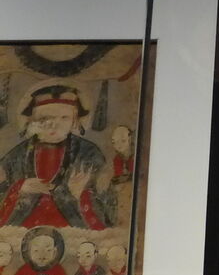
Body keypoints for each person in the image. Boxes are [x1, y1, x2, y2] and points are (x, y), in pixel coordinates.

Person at [0, 83, 110, 230]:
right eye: (45, 118)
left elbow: (107, 201)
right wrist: (19, 188)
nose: (54, 125)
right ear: (32, 121)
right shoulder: (17, 155)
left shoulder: (88, 154)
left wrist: (80, 195)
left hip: (75, 232)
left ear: (75, 121)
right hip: (21, 230)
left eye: (64, 118)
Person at [109, 125, 135, 224]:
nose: (118, 145)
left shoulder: (135, 157)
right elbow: (118, 175)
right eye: (114, 142)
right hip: (121, 190)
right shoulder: (117, 159)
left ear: (130, 140)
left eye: (123, 141)